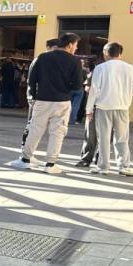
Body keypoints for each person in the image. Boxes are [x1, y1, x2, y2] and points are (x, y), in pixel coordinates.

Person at [8, 33, 80, 174]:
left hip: (42, 100)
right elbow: (77, 86)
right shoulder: (74, 61)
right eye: (76, 45)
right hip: (62, 101)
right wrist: (65, 88)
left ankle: (25, 160)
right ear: (70, 44)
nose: (76, 48)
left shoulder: (42, 57)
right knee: (57, 133)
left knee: (35, 129)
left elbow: (32, 79)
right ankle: (50, 164)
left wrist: (34, 97)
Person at [86, 42, 133, 176]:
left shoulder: (100, 68)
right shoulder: (130, 68)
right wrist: (124, 94)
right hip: (123, 107)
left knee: (103, 138)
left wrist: (89, 109)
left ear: (106, 53)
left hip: (103, 107)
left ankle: (103, 166)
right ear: (120, 54)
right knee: (122, 138)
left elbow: (94, 90)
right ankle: (124, 166)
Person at [68, 58, 87, 125]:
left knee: (68, 104)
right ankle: (72, 120)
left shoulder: (70, 69)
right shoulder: (84, 71)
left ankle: (67, 119)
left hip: (70, 88)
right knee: (76, 105)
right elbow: (85, 80)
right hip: (79, 88)